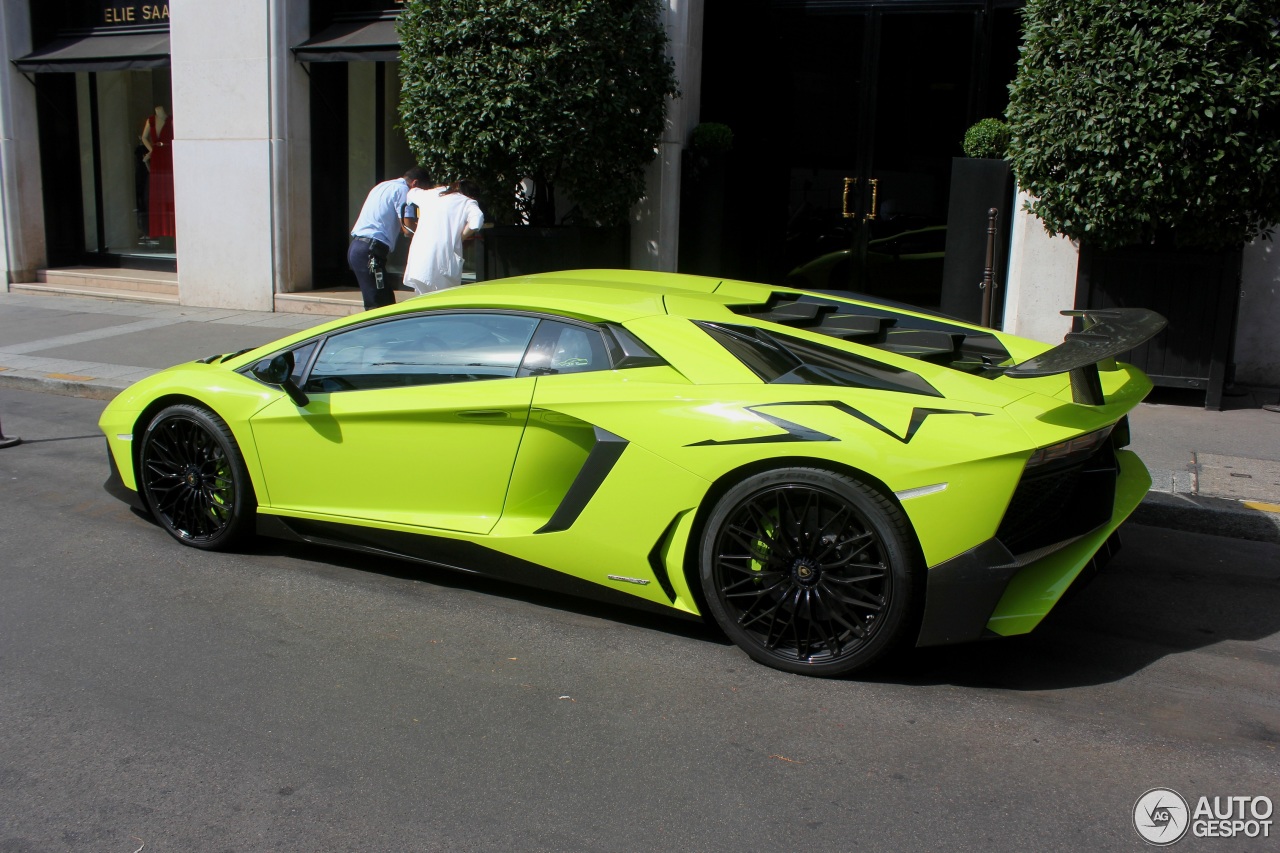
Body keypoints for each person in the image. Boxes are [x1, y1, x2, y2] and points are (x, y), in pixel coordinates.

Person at [349, 167, 430, 310]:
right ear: (415, 184)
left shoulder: (383, 186)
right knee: (378, 304)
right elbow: (408, 228)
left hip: (358, 247)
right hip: (371, 250)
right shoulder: (404, 192)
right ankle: (377, 331)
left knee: (384, 297)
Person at [403, 180, 484, 294]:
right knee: (443, 303)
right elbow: (477, 220)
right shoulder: (467, 202)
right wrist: (460, 237)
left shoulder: (431, 195)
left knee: (422, 302)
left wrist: (438, 189)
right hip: (444, 262)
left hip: (419, 260)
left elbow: (412, 192)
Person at [140, 106, 175, 239]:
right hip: (157, 155)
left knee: (168, 188)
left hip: (168, 154)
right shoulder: (151, 121)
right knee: (158, 190)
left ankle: (171, 229)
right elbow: (144, 137)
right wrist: (151, 150)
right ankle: (159, 229)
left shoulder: (170, 120)